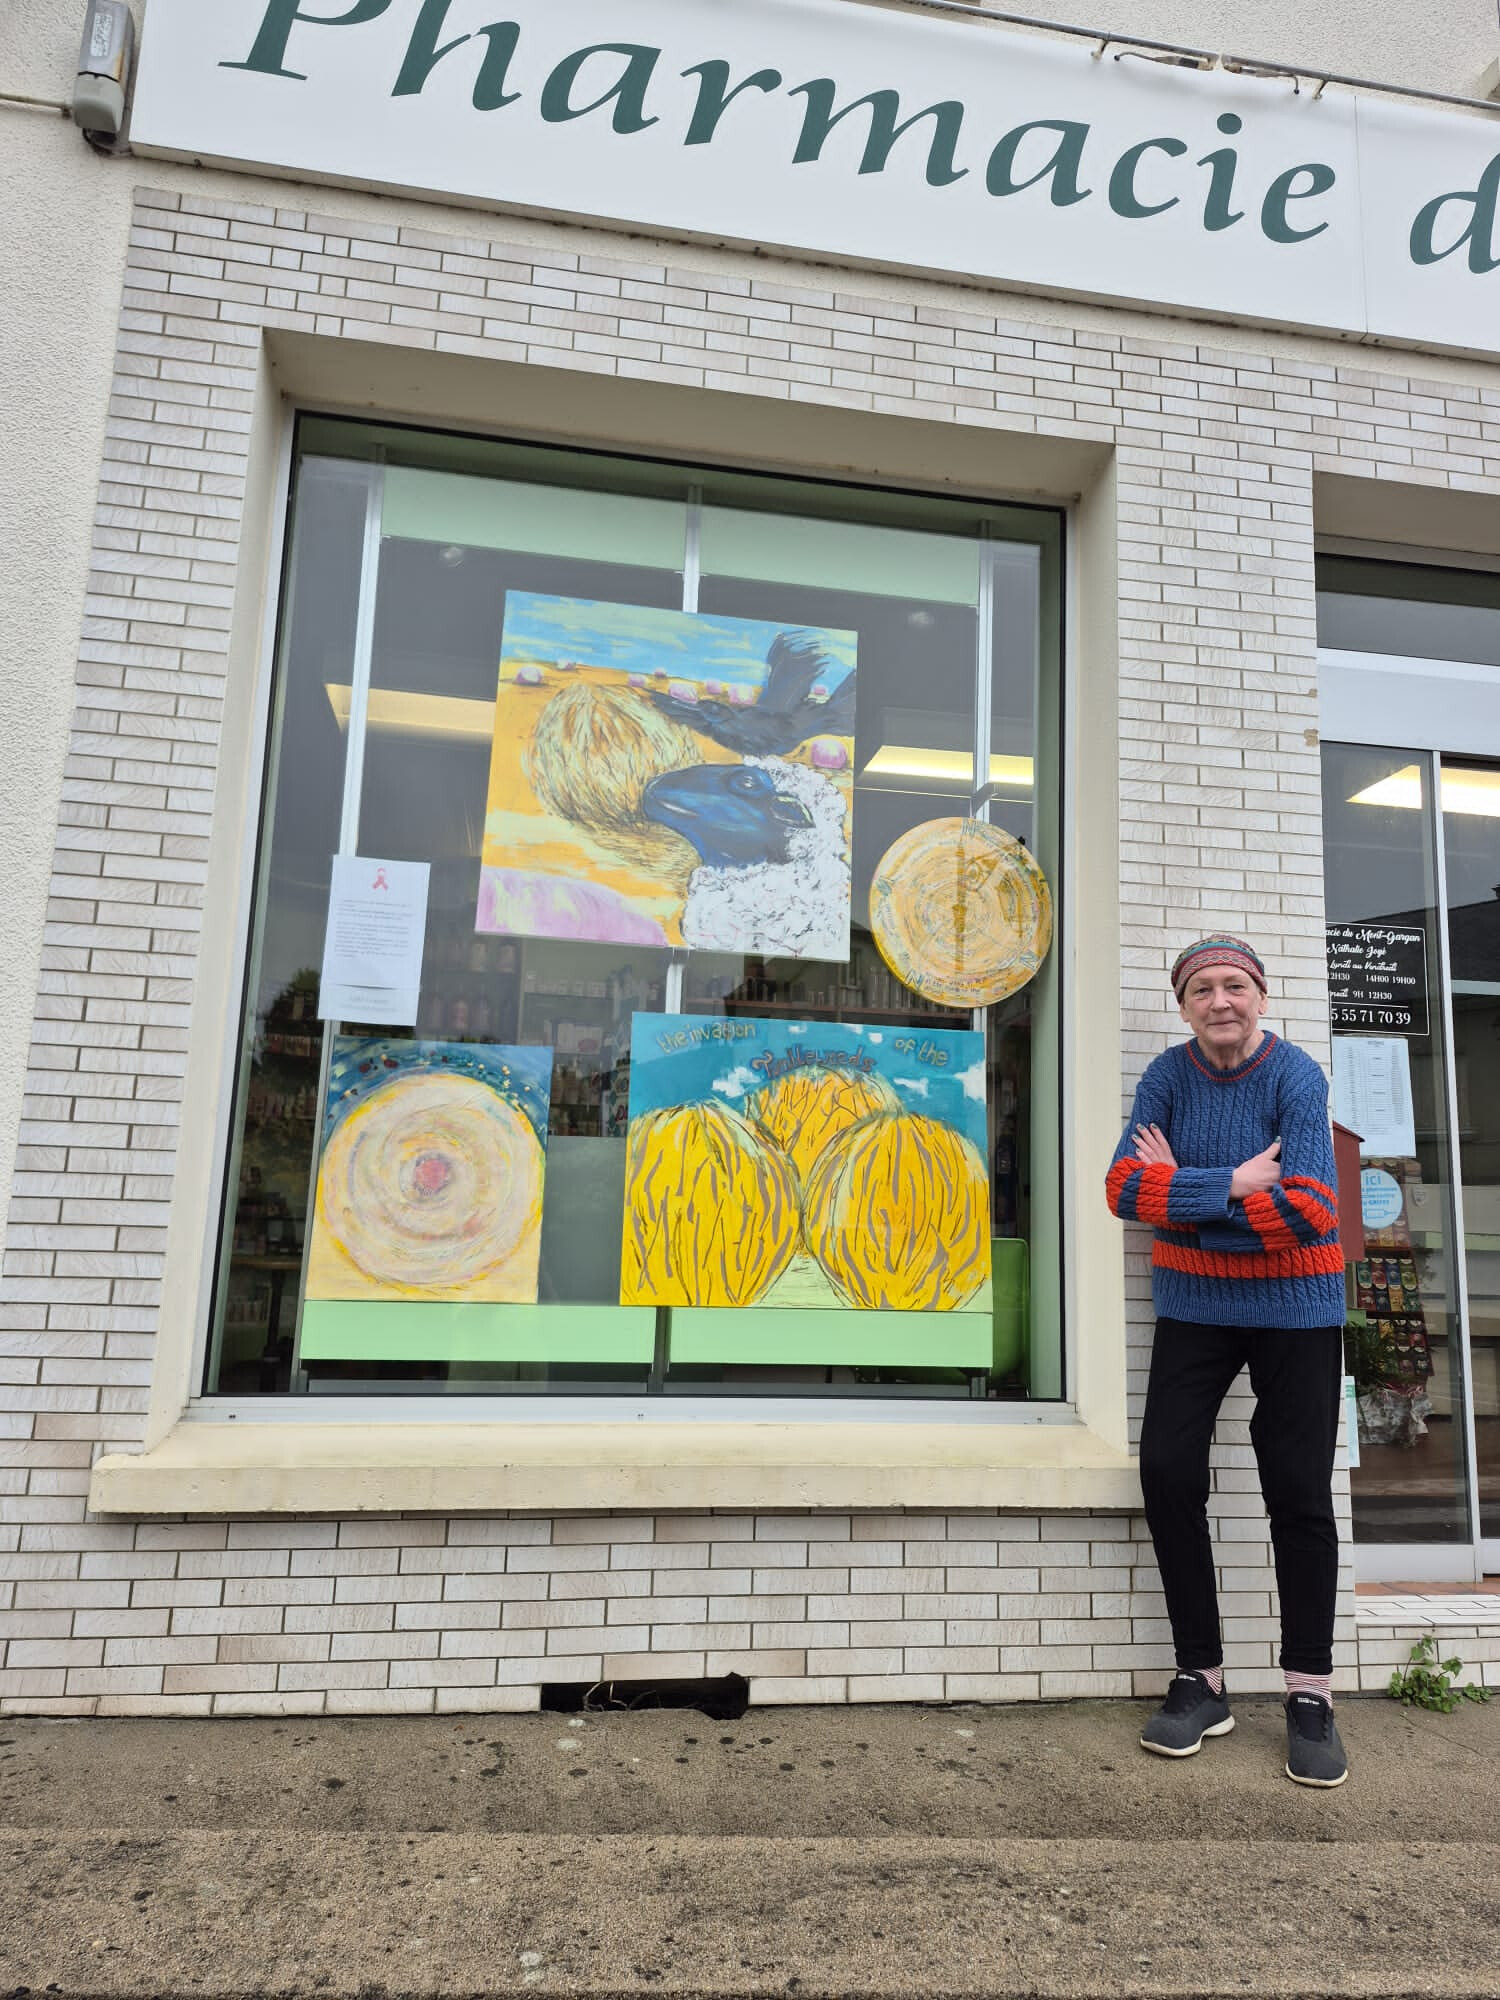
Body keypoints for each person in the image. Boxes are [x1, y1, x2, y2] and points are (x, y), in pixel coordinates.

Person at [1105, 936, 1349, 1788]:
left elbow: (1312, 1210)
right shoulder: (1166, 1079)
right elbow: (1122, 1190)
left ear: (1261, 997)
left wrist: (1187, 1196)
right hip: (1195, 1310)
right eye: (1202, 989)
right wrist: (1237, 1184)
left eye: (1235, 985)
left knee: (1298, 1490)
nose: (1220, 1000)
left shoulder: (1296, 1078)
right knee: (1168, 1470)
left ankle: (1310, 1691)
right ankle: (1201, 1680)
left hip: (1298, 1308)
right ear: (1183, 1007)